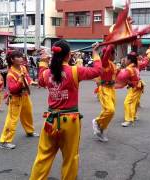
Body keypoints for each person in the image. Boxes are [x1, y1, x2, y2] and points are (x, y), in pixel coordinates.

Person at [29, 40, 102, 180]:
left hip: (50, 121)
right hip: (70, 120)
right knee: (70, 157)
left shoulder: (46, 73)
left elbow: (41, 80)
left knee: (43, 156)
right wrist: (95, 53)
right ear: (69, 55)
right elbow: (97, 71)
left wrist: (43, 62)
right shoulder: (75, 71)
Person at [0, 51, 39, 150]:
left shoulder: (23, 68)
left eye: (21, 56)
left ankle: (29, 131)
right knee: (12, 119)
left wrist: (32, 82)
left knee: (27, 113)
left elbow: (27, 78)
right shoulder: (10, 74)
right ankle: (4, 141)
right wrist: (20, 80)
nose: (21, 58)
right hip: (15, 98)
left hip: (24, 95)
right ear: (12, 60)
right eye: (18, 57)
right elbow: (13, 89)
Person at [92, 44, 116, 142]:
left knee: (108, 112)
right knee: (110, 110)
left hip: (111, 89)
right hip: (105, 89)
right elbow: (107, 52)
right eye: (114, 54)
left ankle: (101, 129)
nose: (115, 56)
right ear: (110, 54)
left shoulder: (112, 64)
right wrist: (111, 43)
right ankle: (97, 122)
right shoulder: (105, 62)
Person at [116, 52, 145, 127]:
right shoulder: (136, 66)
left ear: (129, 60)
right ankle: (133, 116)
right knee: (134, 102)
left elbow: (122, 77)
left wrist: (117, 72)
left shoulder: (129, 68)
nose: (125, 60)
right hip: (138, 86)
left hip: (135, 87)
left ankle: (128, 119)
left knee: (127, 102)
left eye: (126, 59)